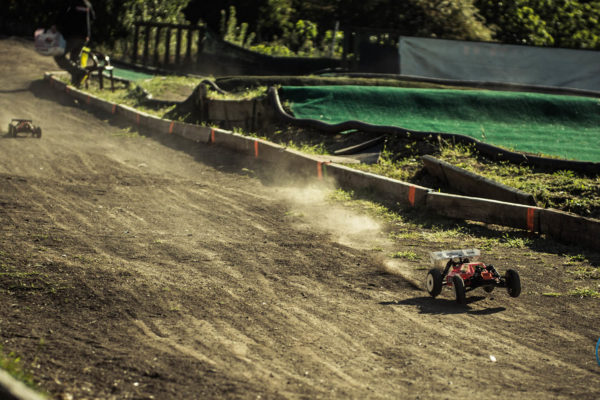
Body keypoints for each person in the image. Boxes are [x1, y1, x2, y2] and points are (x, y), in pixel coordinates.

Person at [53, 0, 95, 86]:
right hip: (84, 37)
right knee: (75, 59)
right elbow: (92, 17)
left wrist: (56, 25)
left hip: (72, 36)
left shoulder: (71, 2)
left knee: (58, 56)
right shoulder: (87, 4)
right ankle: (76, 84)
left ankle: (81, 72)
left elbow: (62, 14)